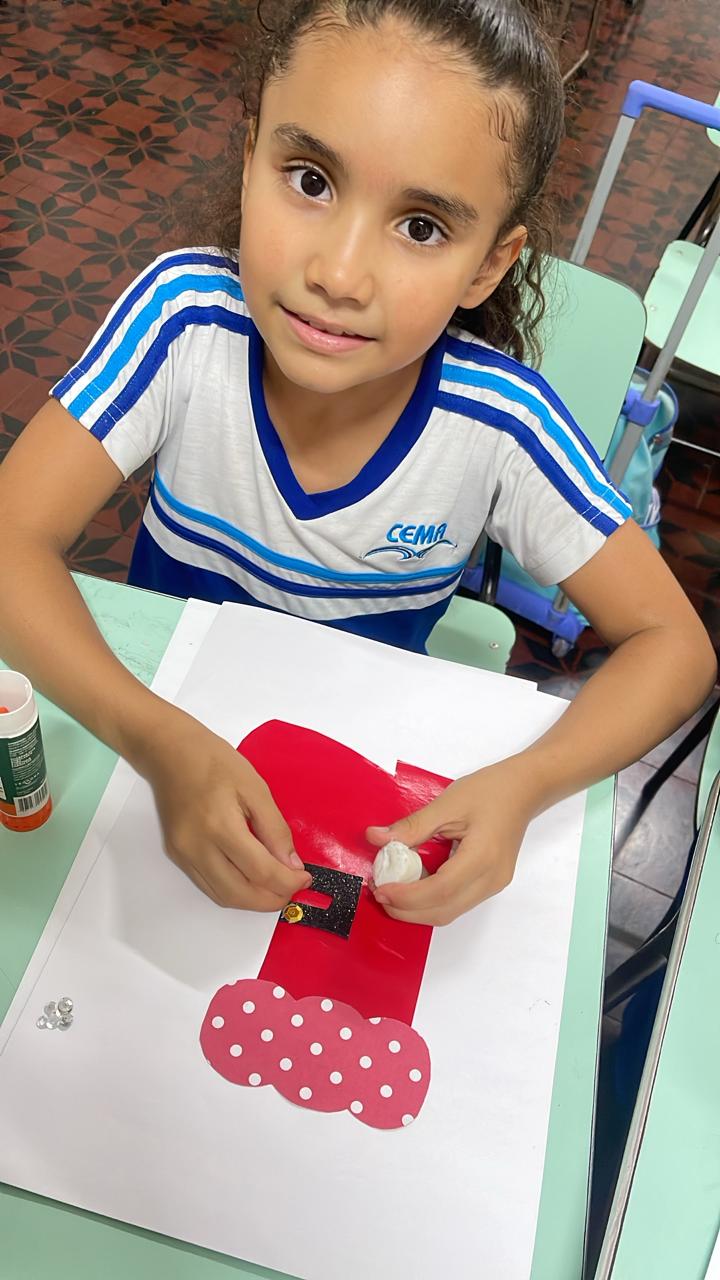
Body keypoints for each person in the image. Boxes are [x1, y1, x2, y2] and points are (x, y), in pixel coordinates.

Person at [0, 0, 714, 925]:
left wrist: (524, 785)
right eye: (310, 179)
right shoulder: (183, 322)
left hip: (350, 784)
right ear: (249, 156)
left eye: (421, 227)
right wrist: (154, 738)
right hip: (150, 734)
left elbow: (675, 648)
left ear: (488, 266)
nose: (338, 274)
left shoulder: (499, 425)